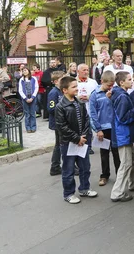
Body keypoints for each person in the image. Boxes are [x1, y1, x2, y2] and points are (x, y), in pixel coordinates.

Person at [55, 76, 98, 204]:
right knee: (69, 170)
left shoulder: (79, 102)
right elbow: (61, 126)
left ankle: (84, 188)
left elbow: (86, 120)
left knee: (85, 167)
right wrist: (76, 138)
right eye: (73, 87)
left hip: (82, 141)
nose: (77, 88)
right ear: (64, 90)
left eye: (76, 86)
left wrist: (83, 137)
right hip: (68, 143)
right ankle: (68, 193)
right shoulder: (60, 106)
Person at [109, 71, 134, 202]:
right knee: (126, 163)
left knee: (133, 159)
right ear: (122, 82)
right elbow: (123, 118)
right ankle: (117, 193)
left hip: (126, 134)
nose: (132, 81)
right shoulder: (122, 97)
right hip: (124, 134)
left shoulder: (120, 93)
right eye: (129, 79)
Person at [89, 70, 120, 187]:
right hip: (103, 128)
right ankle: (104, 175)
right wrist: (98, 129)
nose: (110, 88)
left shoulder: (114, 92)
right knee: (104, 153)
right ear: (102, 81)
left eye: (112, 85)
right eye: (108, 85)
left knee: (117, 153)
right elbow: (93, 114)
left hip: (114, 127)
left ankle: (119, 175)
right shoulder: (95, 95)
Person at [47, 71, 65, 176]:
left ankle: (55, 166)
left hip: (62, 121)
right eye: (62, 79)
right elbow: (51, 108)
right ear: (55, 82)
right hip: (57, 122)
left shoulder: (62, 91)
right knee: (59, 145)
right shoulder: (53, 93)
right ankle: (55, 166)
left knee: (59, 144)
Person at [18, 67, 39, 133]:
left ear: (28, 71)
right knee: (27, 114)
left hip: (33, 97)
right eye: (23, 71)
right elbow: (20, 90)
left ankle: (33, 127)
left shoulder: (34, 78)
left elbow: (36, 88)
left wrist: (32, 97)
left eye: (25, 70)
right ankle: (28, 127)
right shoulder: (21, 80)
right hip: (25, 98)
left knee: (32, 113)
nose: (24, 71)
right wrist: (26, 98)